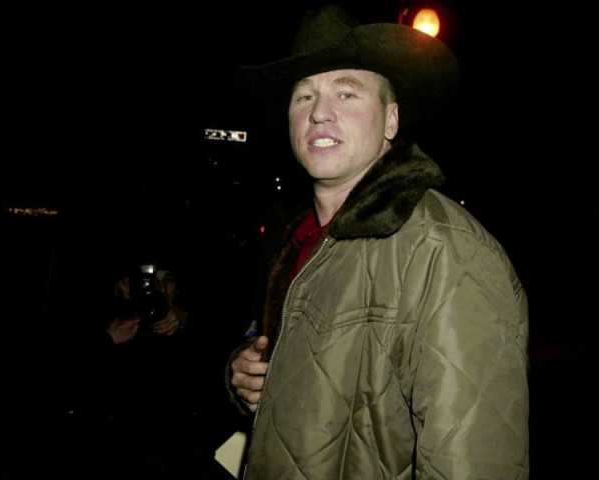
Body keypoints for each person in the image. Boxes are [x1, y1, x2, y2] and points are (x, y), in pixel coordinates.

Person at [226, 4, 530, 479]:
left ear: (390, 120)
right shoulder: (299, 243)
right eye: (304, 97)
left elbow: (472, 460)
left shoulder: (441, 249)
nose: (319, 113)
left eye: (346, 92)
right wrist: (247, 375)